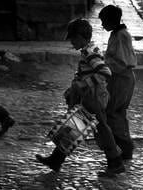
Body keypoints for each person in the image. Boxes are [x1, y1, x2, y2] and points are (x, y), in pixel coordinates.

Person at [35, 19, 125, 177]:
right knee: (76, 127)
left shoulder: (90, 52)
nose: (71, 42)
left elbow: (105, 72)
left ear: (81, 37)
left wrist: (83, 85)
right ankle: (56, 160)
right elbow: (87, 73)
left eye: (72, 38)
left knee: (99, 129)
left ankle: (115, 162)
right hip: (91, 97)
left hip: (94, 98)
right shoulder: (88, 50)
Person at [98, 5, 137, 160]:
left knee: (114, 112)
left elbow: (120, 62)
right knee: (117, 112)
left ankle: (126, 146)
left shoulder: (121, 35)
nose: (102, 25)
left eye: (103, 22)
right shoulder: (117, 33)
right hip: (121, 77)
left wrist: (102, 66)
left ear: (111, 20)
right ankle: (124, 146)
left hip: (121, 78)